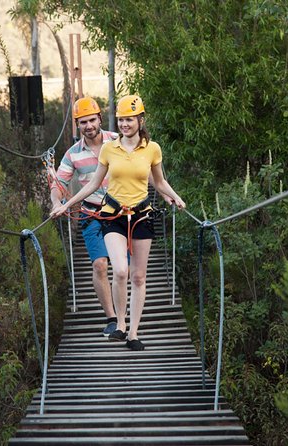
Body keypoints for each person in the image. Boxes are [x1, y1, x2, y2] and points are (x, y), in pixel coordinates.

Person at [51, 94, 186, 351]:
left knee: (138, 276)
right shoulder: (100, 150)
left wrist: (174, 197)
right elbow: (76, 184)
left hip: (140, 214)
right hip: (103, 213)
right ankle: (117, 322)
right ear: (78, 125)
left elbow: (157, 181)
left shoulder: (147, 147)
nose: (124, 124)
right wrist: (64, 204)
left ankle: (133, 333)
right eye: (121, 119)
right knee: (115, 268)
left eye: (129, 119)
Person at [50, 96, 118, 336]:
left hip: (123, 213)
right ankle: (112, 318)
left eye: (92, 120)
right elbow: (58, 183)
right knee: (100, 265)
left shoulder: (118, 142)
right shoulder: (72, 155)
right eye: (83, 122)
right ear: (77, 126)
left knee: (124, 270)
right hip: (91, 213)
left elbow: (144, 167)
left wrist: (164, 191)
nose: (88, 126)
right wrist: (57, 202)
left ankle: (124, 314)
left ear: (100, 118)